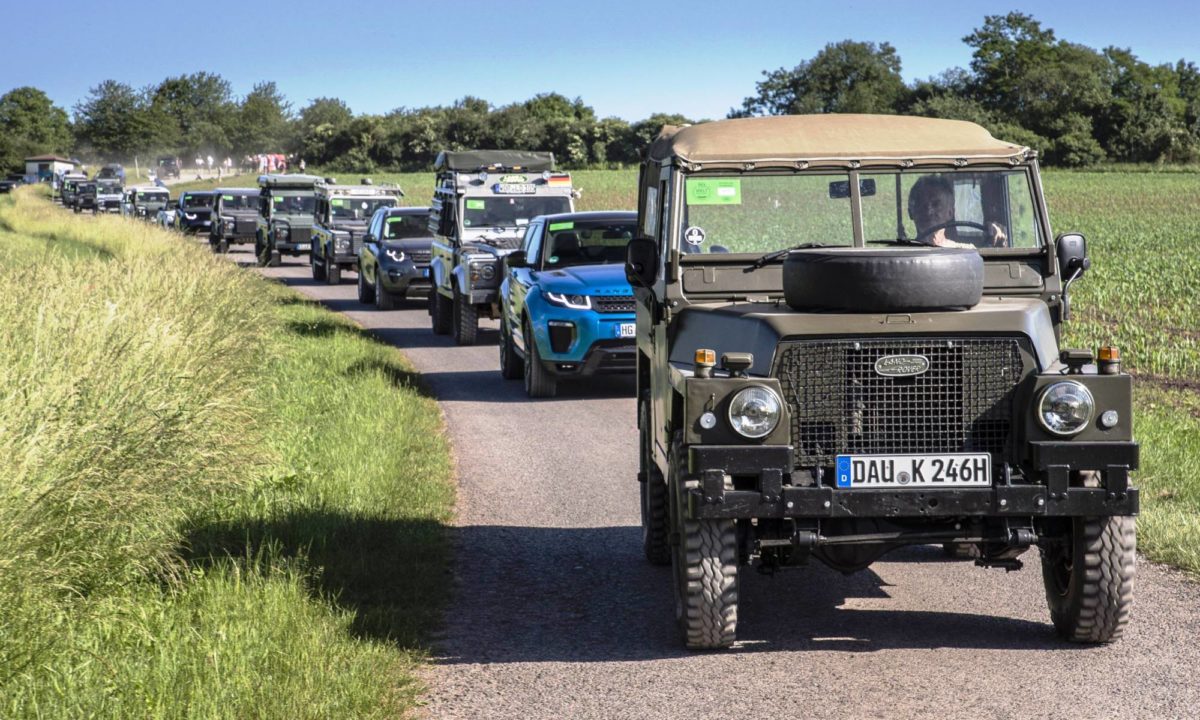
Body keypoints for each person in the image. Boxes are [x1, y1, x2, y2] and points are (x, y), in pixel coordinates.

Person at [907, 175, 1007, 248]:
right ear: (911, 213)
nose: (928, 211)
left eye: (936, 204)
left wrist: (996, 239)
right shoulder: (902, 255)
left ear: (950, 213)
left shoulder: (966, 251)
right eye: (922, 204)